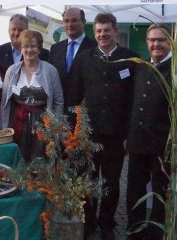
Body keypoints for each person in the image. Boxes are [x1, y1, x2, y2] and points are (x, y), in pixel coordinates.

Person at [70, 13, 139, 240]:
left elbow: (134, 101)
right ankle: (89, 221)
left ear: (116, 31)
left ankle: (107, 222)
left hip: (116, 135)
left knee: (110, 181)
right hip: (88, 134)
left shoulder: (130, 59)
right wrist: (74, 132)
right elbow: (74, 96)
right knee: (88, 180)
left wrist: (129, 133)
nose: (102, 35)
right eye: (98, 31)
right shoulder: (84, 58)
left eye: (106, 30)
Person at [125, 24, 172, 240]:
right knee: (134, 189)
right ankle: (135, 229)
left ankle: (155, 233)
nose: (156, 44)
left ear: (170, 41)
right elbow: (133, 103)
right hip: (137, 142)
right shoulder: (141, 67)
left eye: (161, 40)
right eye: (152, 40)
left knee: (160, 192)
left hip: (163, 143)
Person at [0, 30, 63, 162]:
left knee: (40, 161)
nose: (29, 50)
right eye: (25, 46)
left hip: (43, 123)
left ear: (39, 49)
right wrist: (4, 128)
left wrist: (55, 126)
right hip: (17, 121)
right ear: (21, 49)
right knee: (18, 160)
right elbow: (5, 102)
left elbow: (58, 101)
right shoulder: (12, 71)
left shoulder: (50, 70)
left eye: (33, 46)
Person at [48, 7, 96, 122]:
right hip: (58, 114)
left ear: (84, 22)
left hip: (85, 117)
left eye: (74, 20)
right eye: (66, 21)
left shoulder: (95, 49)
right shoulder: (55, 49)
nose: (70, 24)